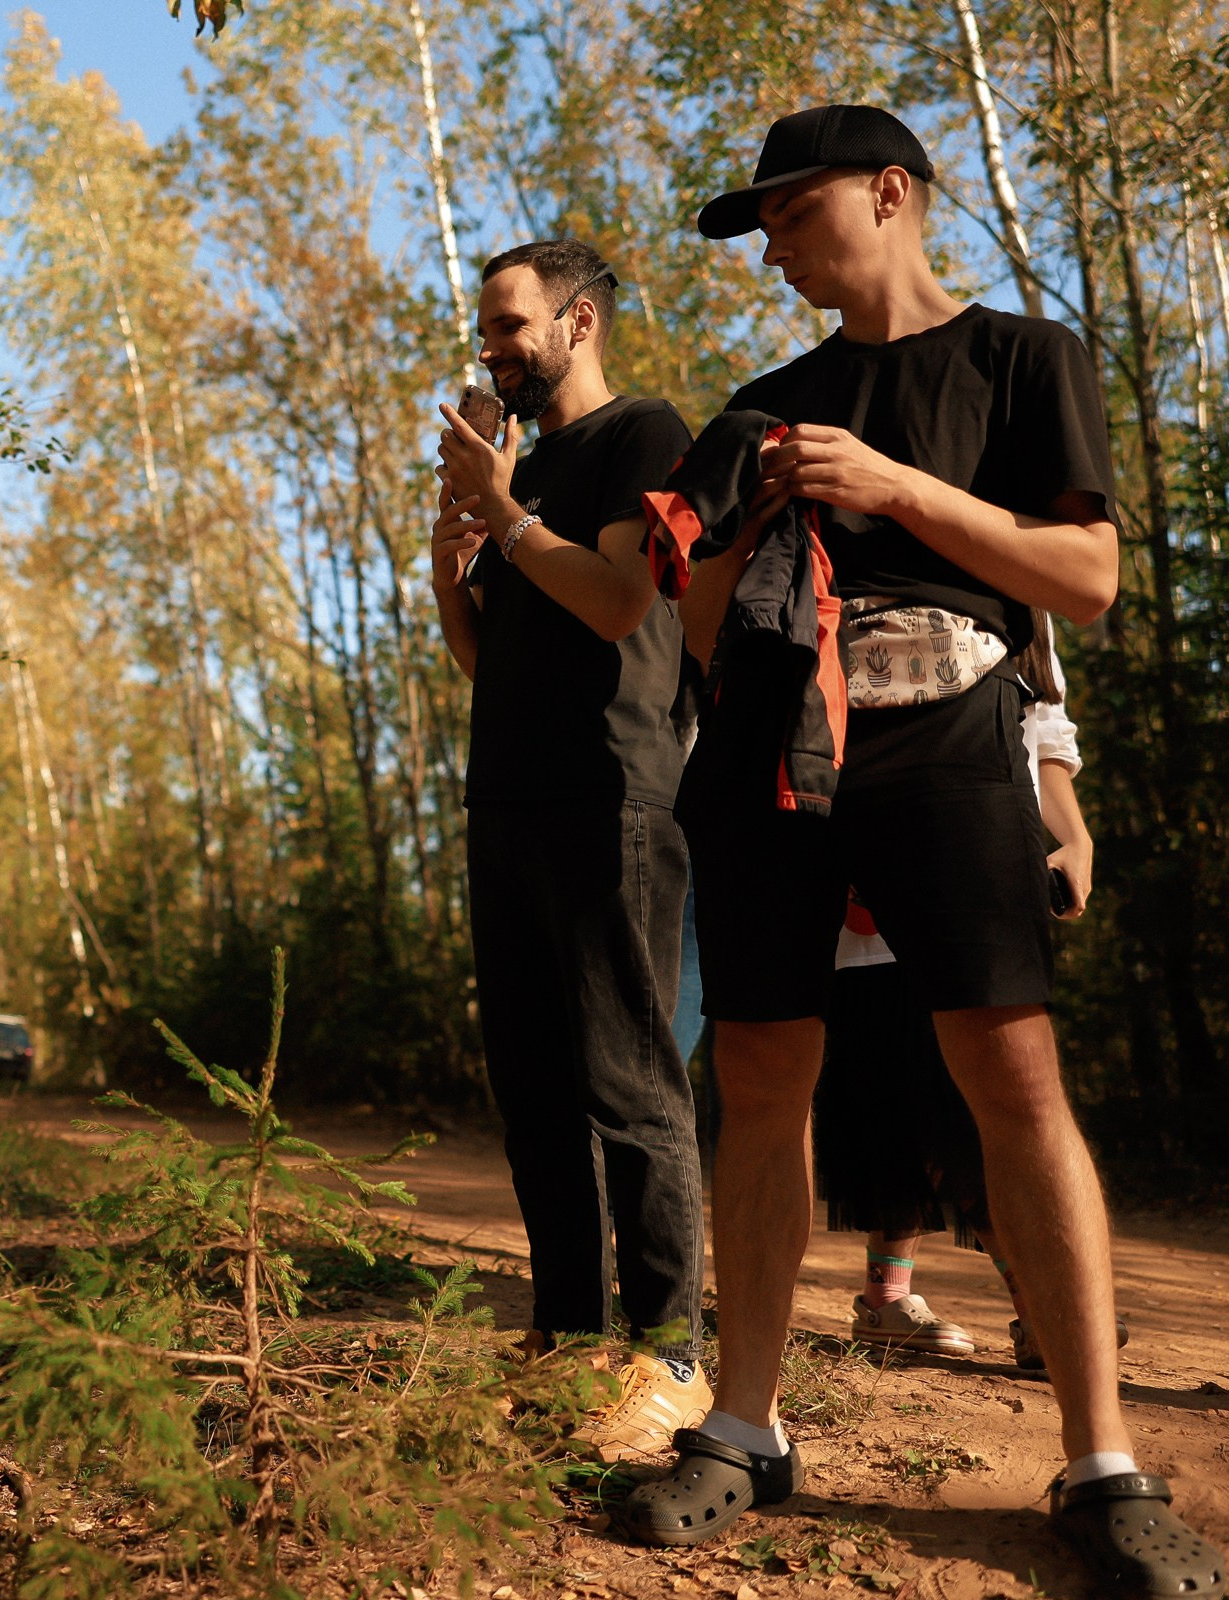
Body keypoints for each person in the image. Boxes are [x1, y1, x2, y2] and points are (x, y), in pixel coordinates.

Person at [621, 105, 1227, 1600]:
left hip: (954, 720)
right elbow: (692, 633)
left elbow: (1082, 583)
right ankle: (744, 1429)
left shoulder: (1027, 361)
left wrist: (898, 493)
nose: (768, 242)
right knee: (760, 1078)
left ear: (890, 193)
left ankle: (1102, 1470)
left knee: (1012, 1073)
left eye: (787, 209)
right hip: (775, 741)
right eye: (754, 221)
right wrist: (738, 538)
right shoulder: (759, 405)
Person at [430, 239, 709, 1460]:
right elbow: (499, 663)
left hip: (616, 799)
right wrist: (454, 573)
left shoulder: (647, 436)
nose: (493, 350)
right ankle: (566, 1339)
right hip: (511, 801)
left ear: (580, 320)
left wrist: (507, 514)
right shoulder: (527, 467)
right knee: (534, 1089)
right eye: (487, 331)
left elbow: (617, 602)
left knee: (630, 1082)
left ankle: (673, 1355)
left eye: (510, 326)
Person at [821, 627, 1117, 1366]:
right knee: (897, 1081)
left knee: (985, 1090)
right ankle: (897, 1300)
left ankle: (1037, 1303)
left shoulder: (1014, 563)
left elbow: (1043, 716)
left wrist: (1072, 836)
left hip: (983, 846)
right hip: (863, 842)